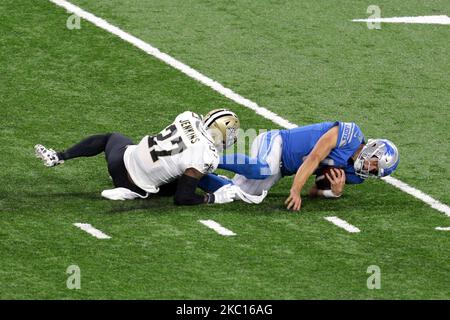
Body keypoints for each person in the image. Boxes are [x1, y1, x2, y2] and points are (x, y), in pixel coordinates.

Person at [34, 109, 260, 205]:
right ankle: (131, 192)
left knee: (111, 137)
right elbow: (182, 198)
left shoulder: (188, 117)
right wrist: (212, 199)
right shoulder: (207, 154)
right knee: (194, 178)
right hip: (137, 184)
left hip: (120, 159)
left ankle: (59, 156)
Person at [198, 121, 399, 211]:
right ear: (374, 149)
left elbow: (314, 191)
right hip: (277, 143)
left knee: (239, 193)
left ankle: (193, 174)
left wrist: (333, 193)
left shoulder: (355, 175)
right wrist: (295, 189)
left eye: (375, 172)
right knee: (263, 168)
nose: (370, 170)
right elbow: (314, 157)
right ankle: (210, 157)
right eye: (375, 165)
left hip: (283, 169)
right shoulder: (349, 134)